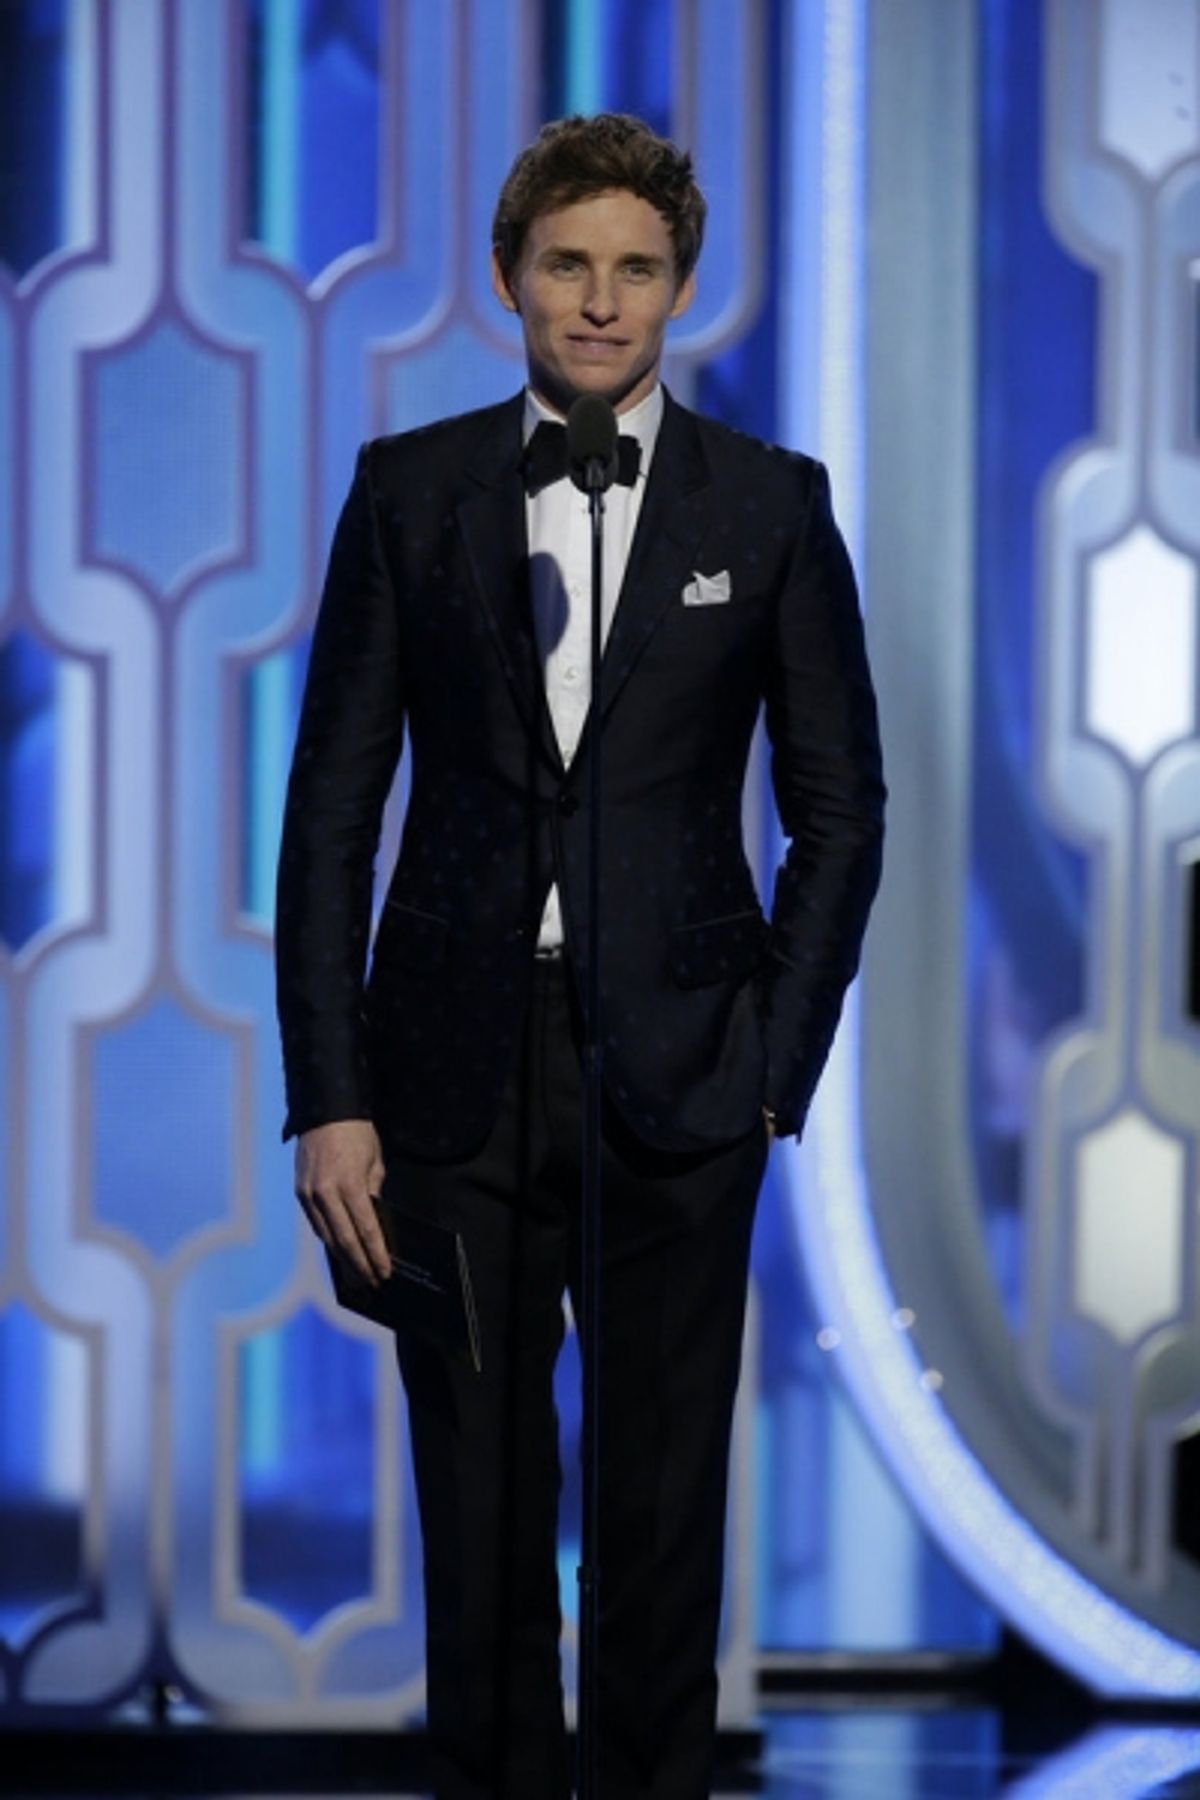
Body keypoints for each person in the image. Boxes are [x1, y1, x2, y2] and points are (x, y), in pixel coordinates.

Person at [275, 112, 884, 1800]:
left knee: (659, 1530)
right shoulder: (410, 493)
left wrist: (774, 1065)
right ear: (508, 278)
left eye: (636, 269)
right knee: (478, 1531)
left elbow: (842, 809)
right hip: (447, 1085)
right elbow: (328, 817)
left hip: (685, 1082)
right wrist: (329, 1095)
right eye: (568, 265)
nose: (602, 301)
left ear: (681, 287)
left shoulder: (770, 504)